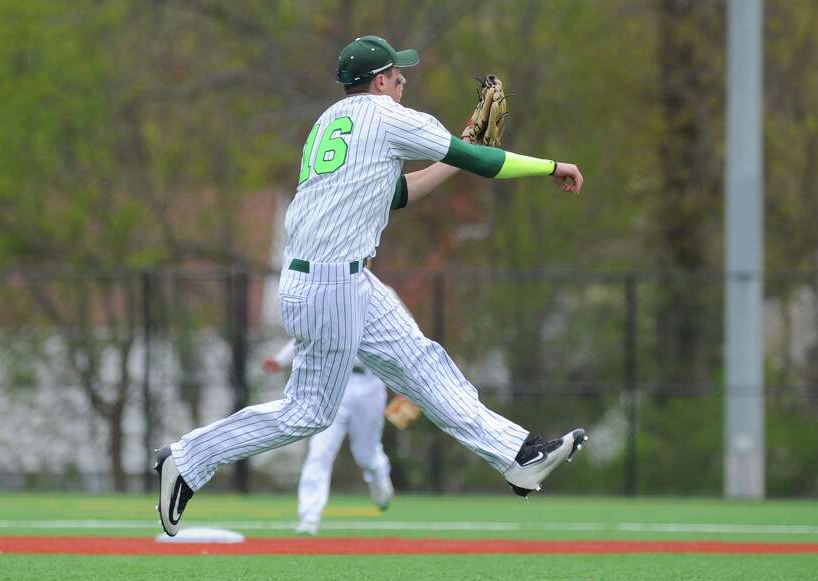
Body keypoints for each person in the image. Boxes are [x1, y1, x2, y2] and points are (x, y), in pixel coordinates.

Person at [155, 34, 586, 536]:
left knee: (425, 365)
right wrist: (552, 166)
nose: (404, 83)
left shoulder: (329, 123)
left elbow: (396, 193)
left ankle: (519, 455)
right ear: (379, 81)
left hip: (341, 279)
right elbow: (486, 164)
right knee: (308, 414)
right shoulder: (388, 117)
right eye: (398, 76)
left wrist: (457, 151)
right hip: (330, 285)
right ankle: (187, 459)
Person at [263, 336, 394, 536]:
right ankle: (309, 517)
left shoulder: (382, 305)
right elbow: (309, 333)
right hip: (335, 383)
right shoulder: (330, 306)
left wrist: (410, 385)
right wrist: (281, 359)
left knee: (365, 455)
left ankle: (378, 472)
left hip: (371, 385)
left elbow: (401, 342)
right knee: (320, 451)